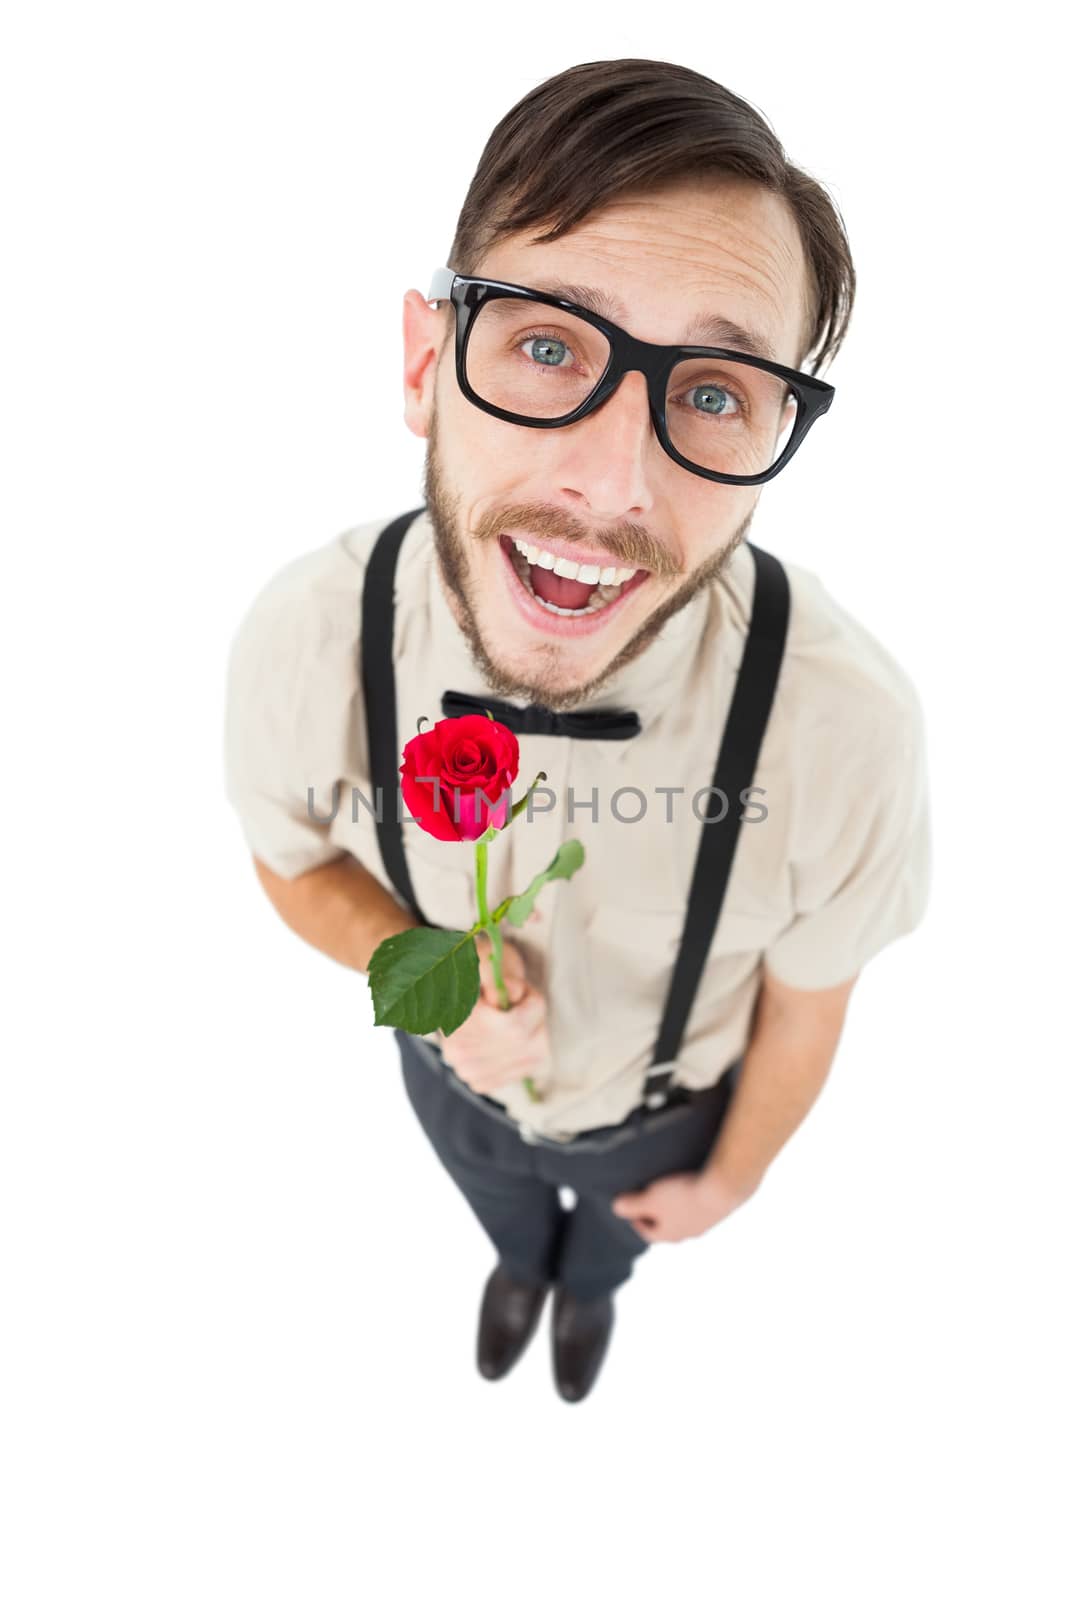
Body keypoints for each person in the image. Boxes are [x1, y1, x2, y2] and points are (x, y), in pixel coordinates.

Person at [223, 59, 932, 1404]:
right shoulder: (309, 641)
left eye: (715, 390)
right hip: (454, 1098)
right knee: (495, 1202)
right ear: (429, 363)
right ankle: (511, 1268)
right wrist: (427, 987)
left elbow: (805, 1009)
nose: (614, 481)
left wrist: (734, 1177)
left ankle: (586, 1296)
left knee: (610, 1253)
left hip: (661, 1129)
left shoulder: (848, 732)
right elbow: (290, 860)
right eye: (549, 342)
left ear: (778, 437)